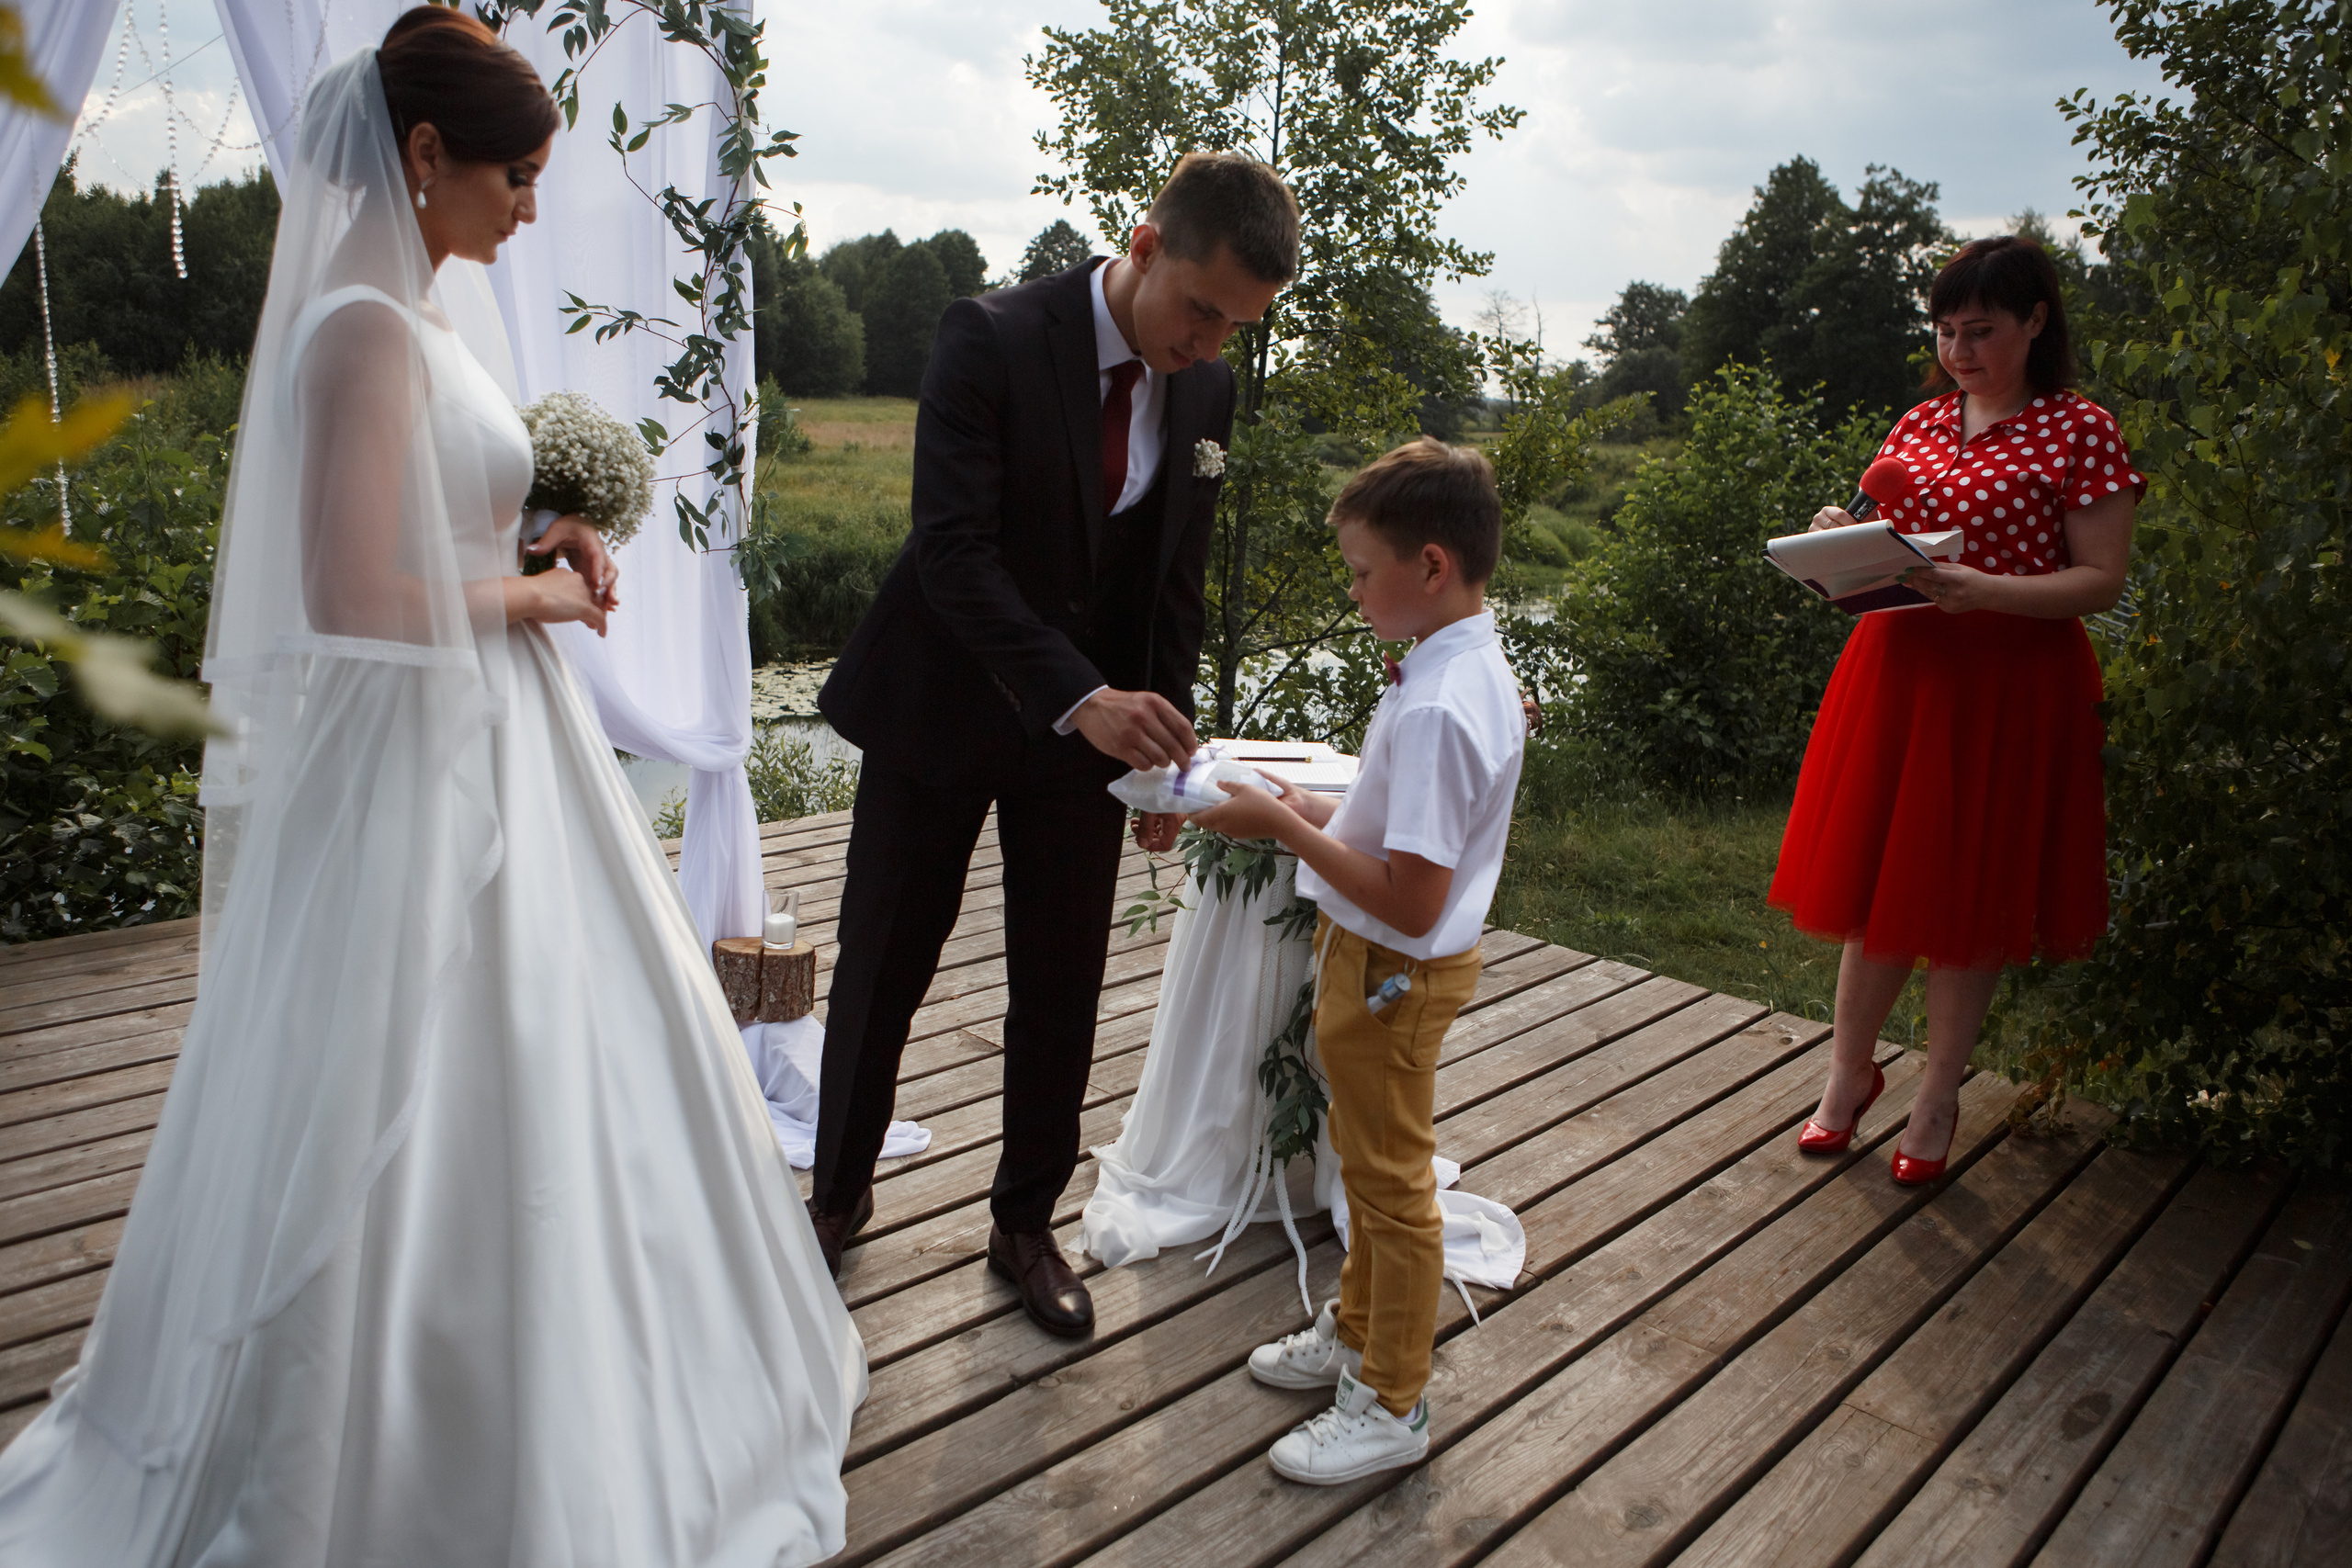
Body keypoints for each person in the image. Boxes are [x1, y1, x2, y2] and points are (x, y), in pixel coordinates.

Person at [0, 12, 863, 1563]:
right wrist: (535, 599)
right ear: (422, 154)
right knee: (409, 1062)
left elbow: (427, 529)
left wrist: (537, 538)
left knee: (565, 1046)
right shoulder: (357, 328)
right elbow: (348, 594)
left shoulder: (415, 314)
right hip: (414, 755)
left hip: (498, 735)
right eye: (515, 175)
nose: (529, 205)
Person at [808, 153, 1297, 1336]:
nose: (1208, 345)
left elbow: (1173, 585)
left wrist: (1166, 755)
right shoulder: (986, 336)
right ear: (1144, 245)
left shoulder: (1206, 391)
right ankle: (834, 1200)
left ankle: (1023, 1227)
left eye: (1236, 328)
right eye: (1201, 311)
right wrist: (1084, 698)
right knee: (885, 964)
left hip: (1094, 736)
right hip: (939, 700)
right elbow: (952, 554)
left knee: (1063, 981)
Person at [1186, 438, 1526, 1484]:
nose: (1352, 588)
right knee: (1369, 1167)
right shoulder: (1453, 665)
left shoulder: (1438, 706)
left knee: (1390, 1188)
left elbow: (1411, 894)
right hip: (1380, 961)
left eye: (1361, 569)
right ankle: (1359, 1330)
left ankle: (1391, 1400)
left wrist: (1283, 830)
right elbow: (1399, 833)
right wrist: (1310, 805)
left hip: (1393, 968)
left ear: (1431, 565)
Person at [1771, 235, 2142, 1184]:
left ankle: (1937, 1096)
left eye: (1979, 330)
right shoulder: (1921, 420)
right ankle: (1848, 1076)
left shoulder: (2081, 429)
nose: (1958, 350)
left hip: (2010, 685)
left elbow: (2101, 580)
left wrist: (1988, 591)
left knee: (1971, 892)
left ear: (2035, 321)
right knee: (1875, 886)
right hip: (1899, 673)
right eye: (1944, 331)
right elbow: (1886, 536)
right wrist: (1838, 537)